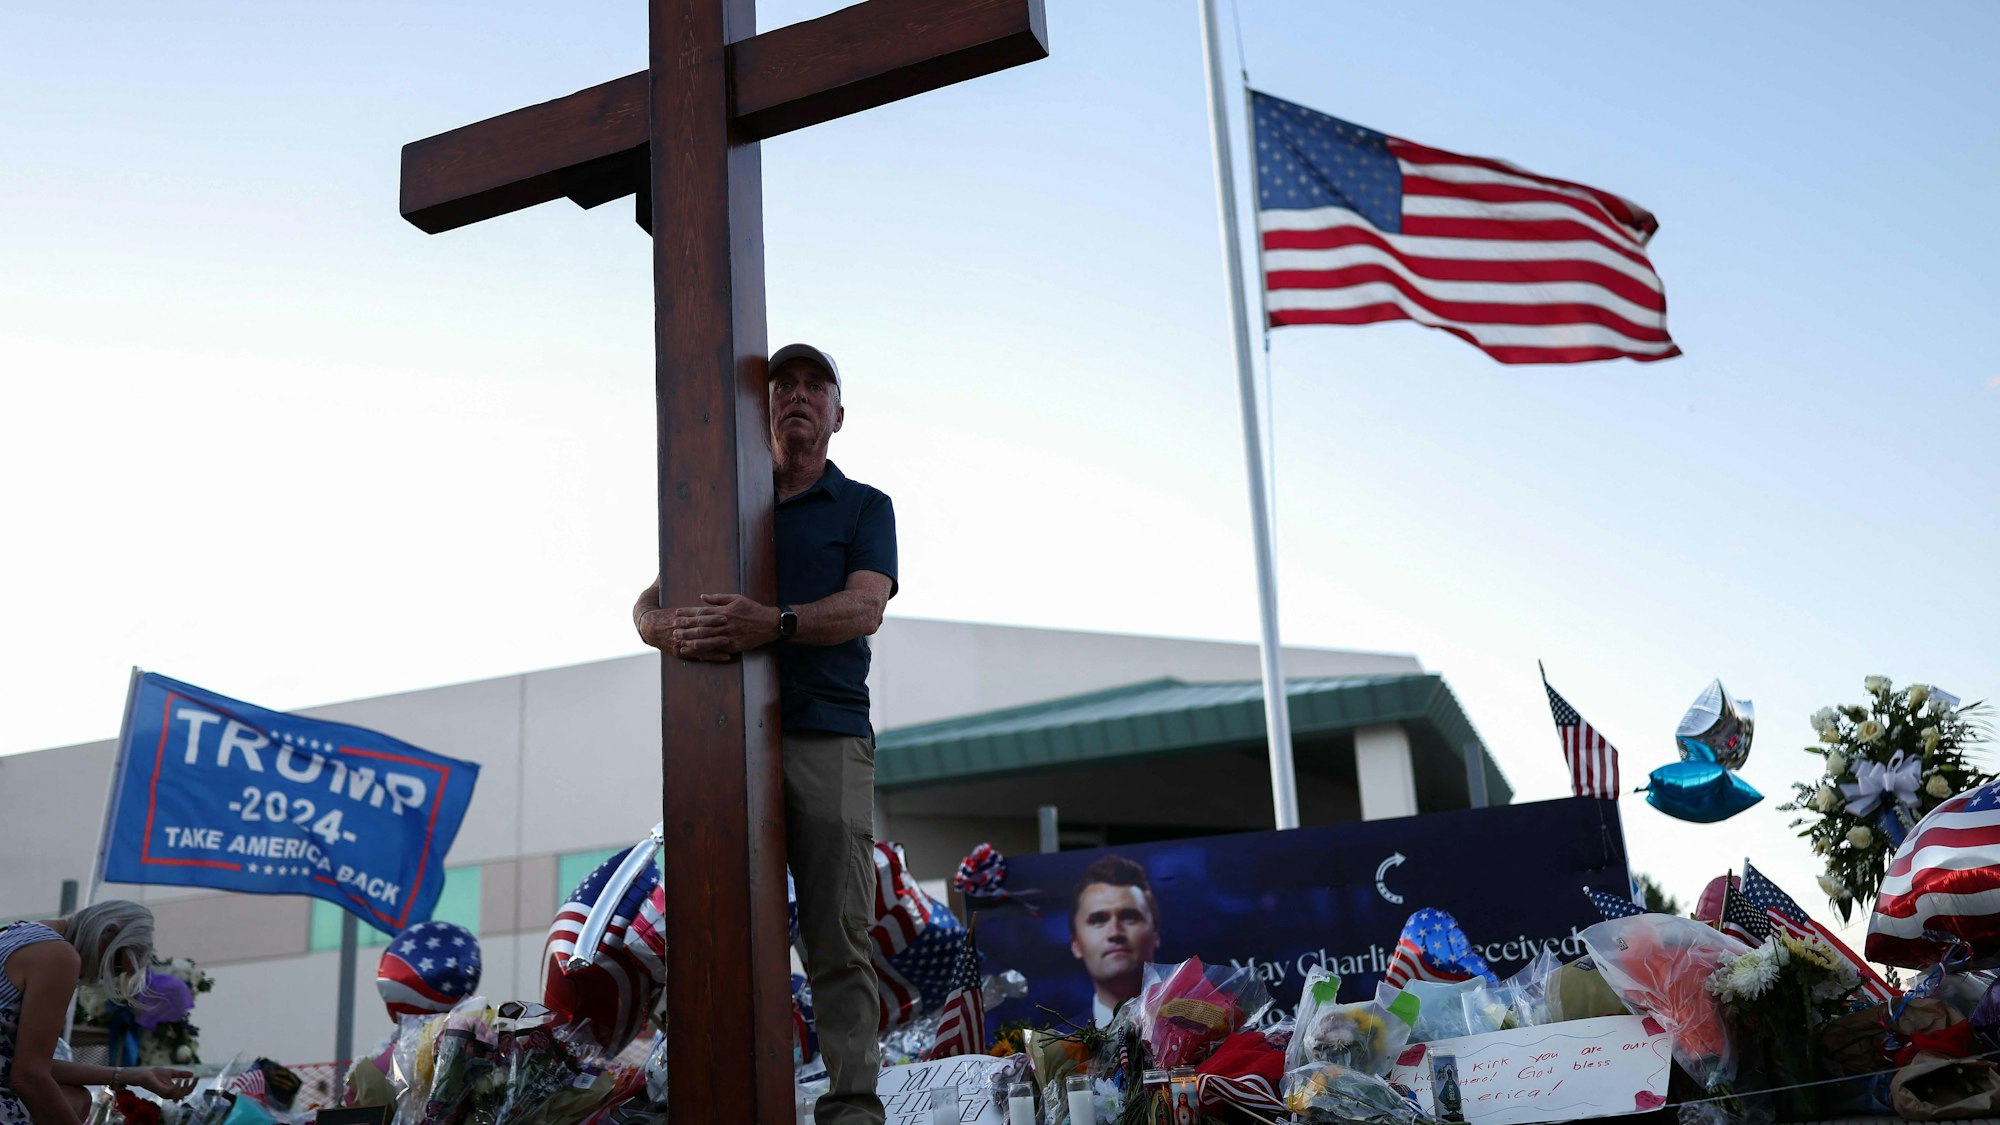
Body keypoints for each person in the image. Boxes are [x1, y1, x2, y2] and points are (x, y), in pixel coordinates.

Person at [634, 342, 895, 1125]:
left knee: (838, 938)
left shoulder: (864, 506)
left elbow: (864, 607)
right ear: (764, 406)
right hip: (724, 745)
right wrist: (662, 628)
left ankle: (851, 1111)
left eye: (818, 385)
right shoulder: (720, 501)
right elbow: (651, 598)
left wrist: (770, 624)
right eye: (785, 383)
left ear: (838, 415)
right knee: (710, 928)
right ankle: (706, 1097)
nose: (800, 396)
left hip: (826, 737)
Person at [1, 901, 196, 1125]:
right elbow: (28, 1076)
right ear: (108, 932)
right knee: (70, 1100)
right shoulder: (58, 956)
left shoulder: (23, 933)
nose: (103, 978)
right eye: (115, 966)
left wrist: (133, 1076)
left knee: (75, 1098)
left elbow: (28, 1063)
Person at [1068, 855, 1162, 1026]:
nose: (1115, 932)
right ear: (1076, 944)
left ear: (1155, 933)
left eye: (1129, 917)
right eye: (1098, 920)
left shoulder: (1207, 1024)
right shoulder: (1057, 1047)